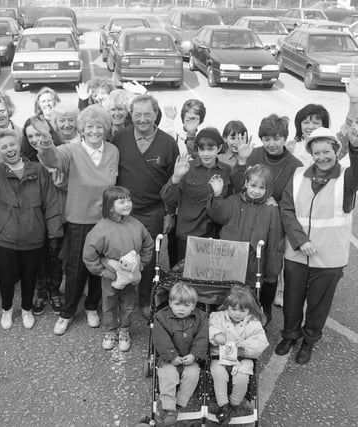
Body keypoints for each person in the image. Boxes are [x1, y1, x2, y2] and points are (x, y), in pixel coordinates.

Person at [276, 126, 358, 364]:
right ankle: (290, 335)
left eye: (327, 151)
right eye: (316, 153)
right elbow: (286, 209)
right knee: (292, 300)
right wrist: (300, 240)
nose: (322, 157)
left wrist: (357, 147)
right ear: (311, 154)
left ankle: (308, 341)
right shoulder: (298, 176)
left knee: (318, 305)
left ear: (337, 151)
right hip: (297, 254)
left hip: (329, 258)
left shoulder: (347, 179)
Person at [0, 108, 63, 331]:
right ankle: (7, 309)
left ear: (19, 145)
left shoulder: (38, 170)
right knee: (6, 276)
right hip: (5, 238)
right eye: (3, 147)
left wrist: (54, 233)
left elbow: (50, 202)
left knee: (30, 275)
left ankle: (27, 308)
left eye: (12, 145)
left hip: (34, 237)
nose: (9, 149)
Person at [36, 105, 119, 336]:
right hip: (79, 220)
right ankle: (67, 312)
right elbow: (51, 160)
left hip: (106, 220)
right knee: (76, 268)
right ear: (81, 129)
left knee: (99, 266)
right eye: (89, 126)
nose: (94, 131)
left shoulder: (113, 150)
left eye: (99, 126)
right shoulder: (70, 150)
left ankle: (92, 306)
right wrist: (45, 140)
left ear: (106, 129)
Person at [229, 114, 303, 321]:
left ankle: (265, 308)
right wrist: (242, 161)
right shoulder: (253, 154)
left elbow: (295, 200)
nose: (271, 143)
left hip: (275, 222)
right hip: (248, 220)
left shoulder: (295, 165)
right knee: (244, 267)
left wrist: (277, 203)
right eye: (267, 138)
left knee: (271, 268)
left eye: (277, 138)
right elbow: (236, 185)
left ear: (284, 138)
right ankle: (239, 307)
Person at [112, 95, 178, 318]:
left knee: (148, 260)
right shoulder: (119, 138)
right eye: (137, 114)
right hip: (124, 211)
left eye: (147, 114)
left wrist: (169, 213)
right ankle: (122, 301)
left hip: (153, 211)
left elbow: (173, 182)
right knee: (122, 257)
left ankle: (144, 300)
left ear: (156, 114)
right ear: (131, 114)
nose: (142, 119)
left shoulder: (168, 143)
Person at [82, 186, 154, 352]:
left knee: (128, 303)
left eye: (128, 200)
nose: (127, 204)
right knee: (109, 304)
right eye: (122, 201)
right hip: (111, 275)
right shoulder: (101, 229)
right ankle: (110, 331)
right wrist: (102, 271)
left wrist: (141, 264)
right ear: (110, 206)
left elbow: (148, 244)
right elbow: (89, 254)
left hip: (131, 273)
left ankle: (124, 330)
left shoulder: (136, 225)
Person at [207, 165, 283, 292]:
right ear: (246, 183)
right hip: (228, 263)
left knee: (248, 302)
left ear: (268, 189)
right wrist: (217, 195)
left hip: (253, 268)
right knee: (226, 298)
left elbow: (275, 243)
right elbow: (217, 214)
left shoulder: (271, 209)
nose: (256, 191)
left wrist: (271, 274)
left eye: (261, 187)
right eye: (253, 186)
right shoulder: (233, 201)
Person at [161, 127, 232, 261]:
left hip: (215, 235)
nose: (206, 154)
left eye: (210, 149)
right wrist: (175, 178)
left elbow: (234, 199)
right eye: (201, 149)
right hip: (188, 234)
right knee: (185, 277)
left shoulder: (226, 171)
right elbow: (169, 198)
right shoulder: (187, 168)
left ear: (219, 148)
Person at [21, 117, 66, 315]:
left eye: (38, 134)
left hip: (58, 211)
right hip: (35, 212)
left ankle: (54, 290)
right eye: (30, 135)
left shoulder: (61, 152)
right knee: (38, 254)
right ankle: (41, 290)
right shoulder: (24, 158)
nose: (34, 139)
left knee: (56, 253)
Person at [209, 285, 268, 424]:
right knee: (218, 373)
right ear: (226, 307)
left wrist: (246, 346)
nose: (237, 313)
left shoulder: (253, 323)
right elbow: (212, 326)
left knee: (241, 378)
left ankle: (234, 403)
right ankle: (223, 405)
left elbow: (261, 343)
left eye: (243, 310)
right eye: (233, 309)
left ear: (249, 309)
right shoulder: (217, 316)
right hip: (220, 356)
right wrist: (217, 336)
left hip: (243, 358)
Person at [152, 283, 209, 426]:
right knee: (168, 376)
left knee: (192, 376)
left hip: (190, 358)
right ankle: (168, 407)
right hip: (169, 359)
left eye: (186, 305)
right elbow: (161, 339)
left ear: (194, 305)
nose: (181, 309)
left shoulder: (201, 318)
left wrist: (195, 355)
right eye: (177, 304)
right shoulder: (161, 317)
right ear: (170, 303)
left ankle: (179, 404)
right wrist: (172, 356)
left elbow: (202, 338)